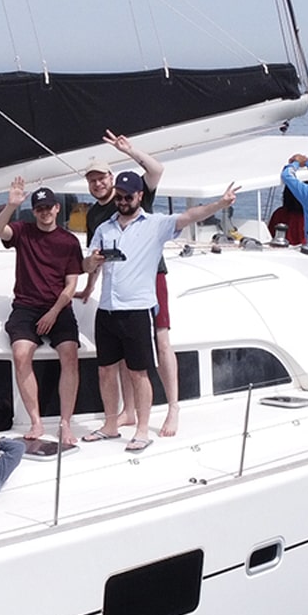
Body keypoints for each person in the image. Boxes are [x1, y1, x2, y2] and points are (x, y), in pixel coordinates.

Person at [83, 170, 237, 448]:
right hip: (107, 309)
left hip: (137, 309)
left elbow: (190, 216)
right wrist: (92, 262)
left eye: (128, 197)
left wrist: (220, 204)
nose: (123, 202)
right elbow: (86, 264)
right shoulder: (105, 228)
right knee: (105, 370)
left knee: (138, 372)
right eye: (119, 197)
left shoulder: (155, 224)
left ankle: (142, 430)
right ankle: (110, 425)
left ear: (140, 196)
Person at [79, 131, 176, 432]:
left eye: (101, 178)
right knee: (121, 351)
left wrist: (130, 150)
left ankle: (173, 408)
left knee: (161, 340)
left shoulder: (133, 192)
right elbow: (96, 255)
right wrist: (90, 285)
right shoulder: (94, 215)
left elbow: (156, 170)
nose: (98, 184)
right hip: (117, 287)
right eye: (92, 181)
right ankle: (128, 411)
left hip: (150, 277)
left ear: (111, 178)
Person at [0, 178, 84, 446]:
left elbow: (71, 285)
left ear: (57, 208)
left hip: (59, 307)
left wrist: (53, 312)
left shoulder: (69, 242)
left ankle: (65, 423)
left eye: (48, 207)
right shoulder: (23, 232)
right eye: (39, 208)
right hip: (26, 307)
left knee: (70, 355)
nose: (45, 212)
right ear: (34, 211)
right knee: (21, 355)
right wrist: (11, 205)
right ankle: (36, 421)